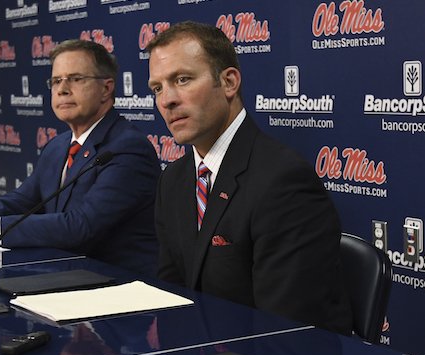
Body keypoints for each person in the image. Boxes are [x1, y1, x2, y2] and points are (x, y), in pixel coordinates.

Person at [146, 21, 352, 334]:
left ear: (229, 82)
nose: (167, 100)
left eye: (183, 79)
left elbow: (288, 334)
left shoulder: (282, 180)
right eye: (157, 88)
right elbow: (174, 301)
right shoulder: (173, 180)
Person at [0, 39, 160, 275]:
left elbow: (81, 226)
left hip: (120, 286)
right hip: (66, 276)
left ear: (106, 89)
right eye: (56, 81)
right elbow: (22, 201)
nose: (62, 89)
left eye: (76, 79)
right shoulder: (58, 146)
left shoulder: (127, 148)